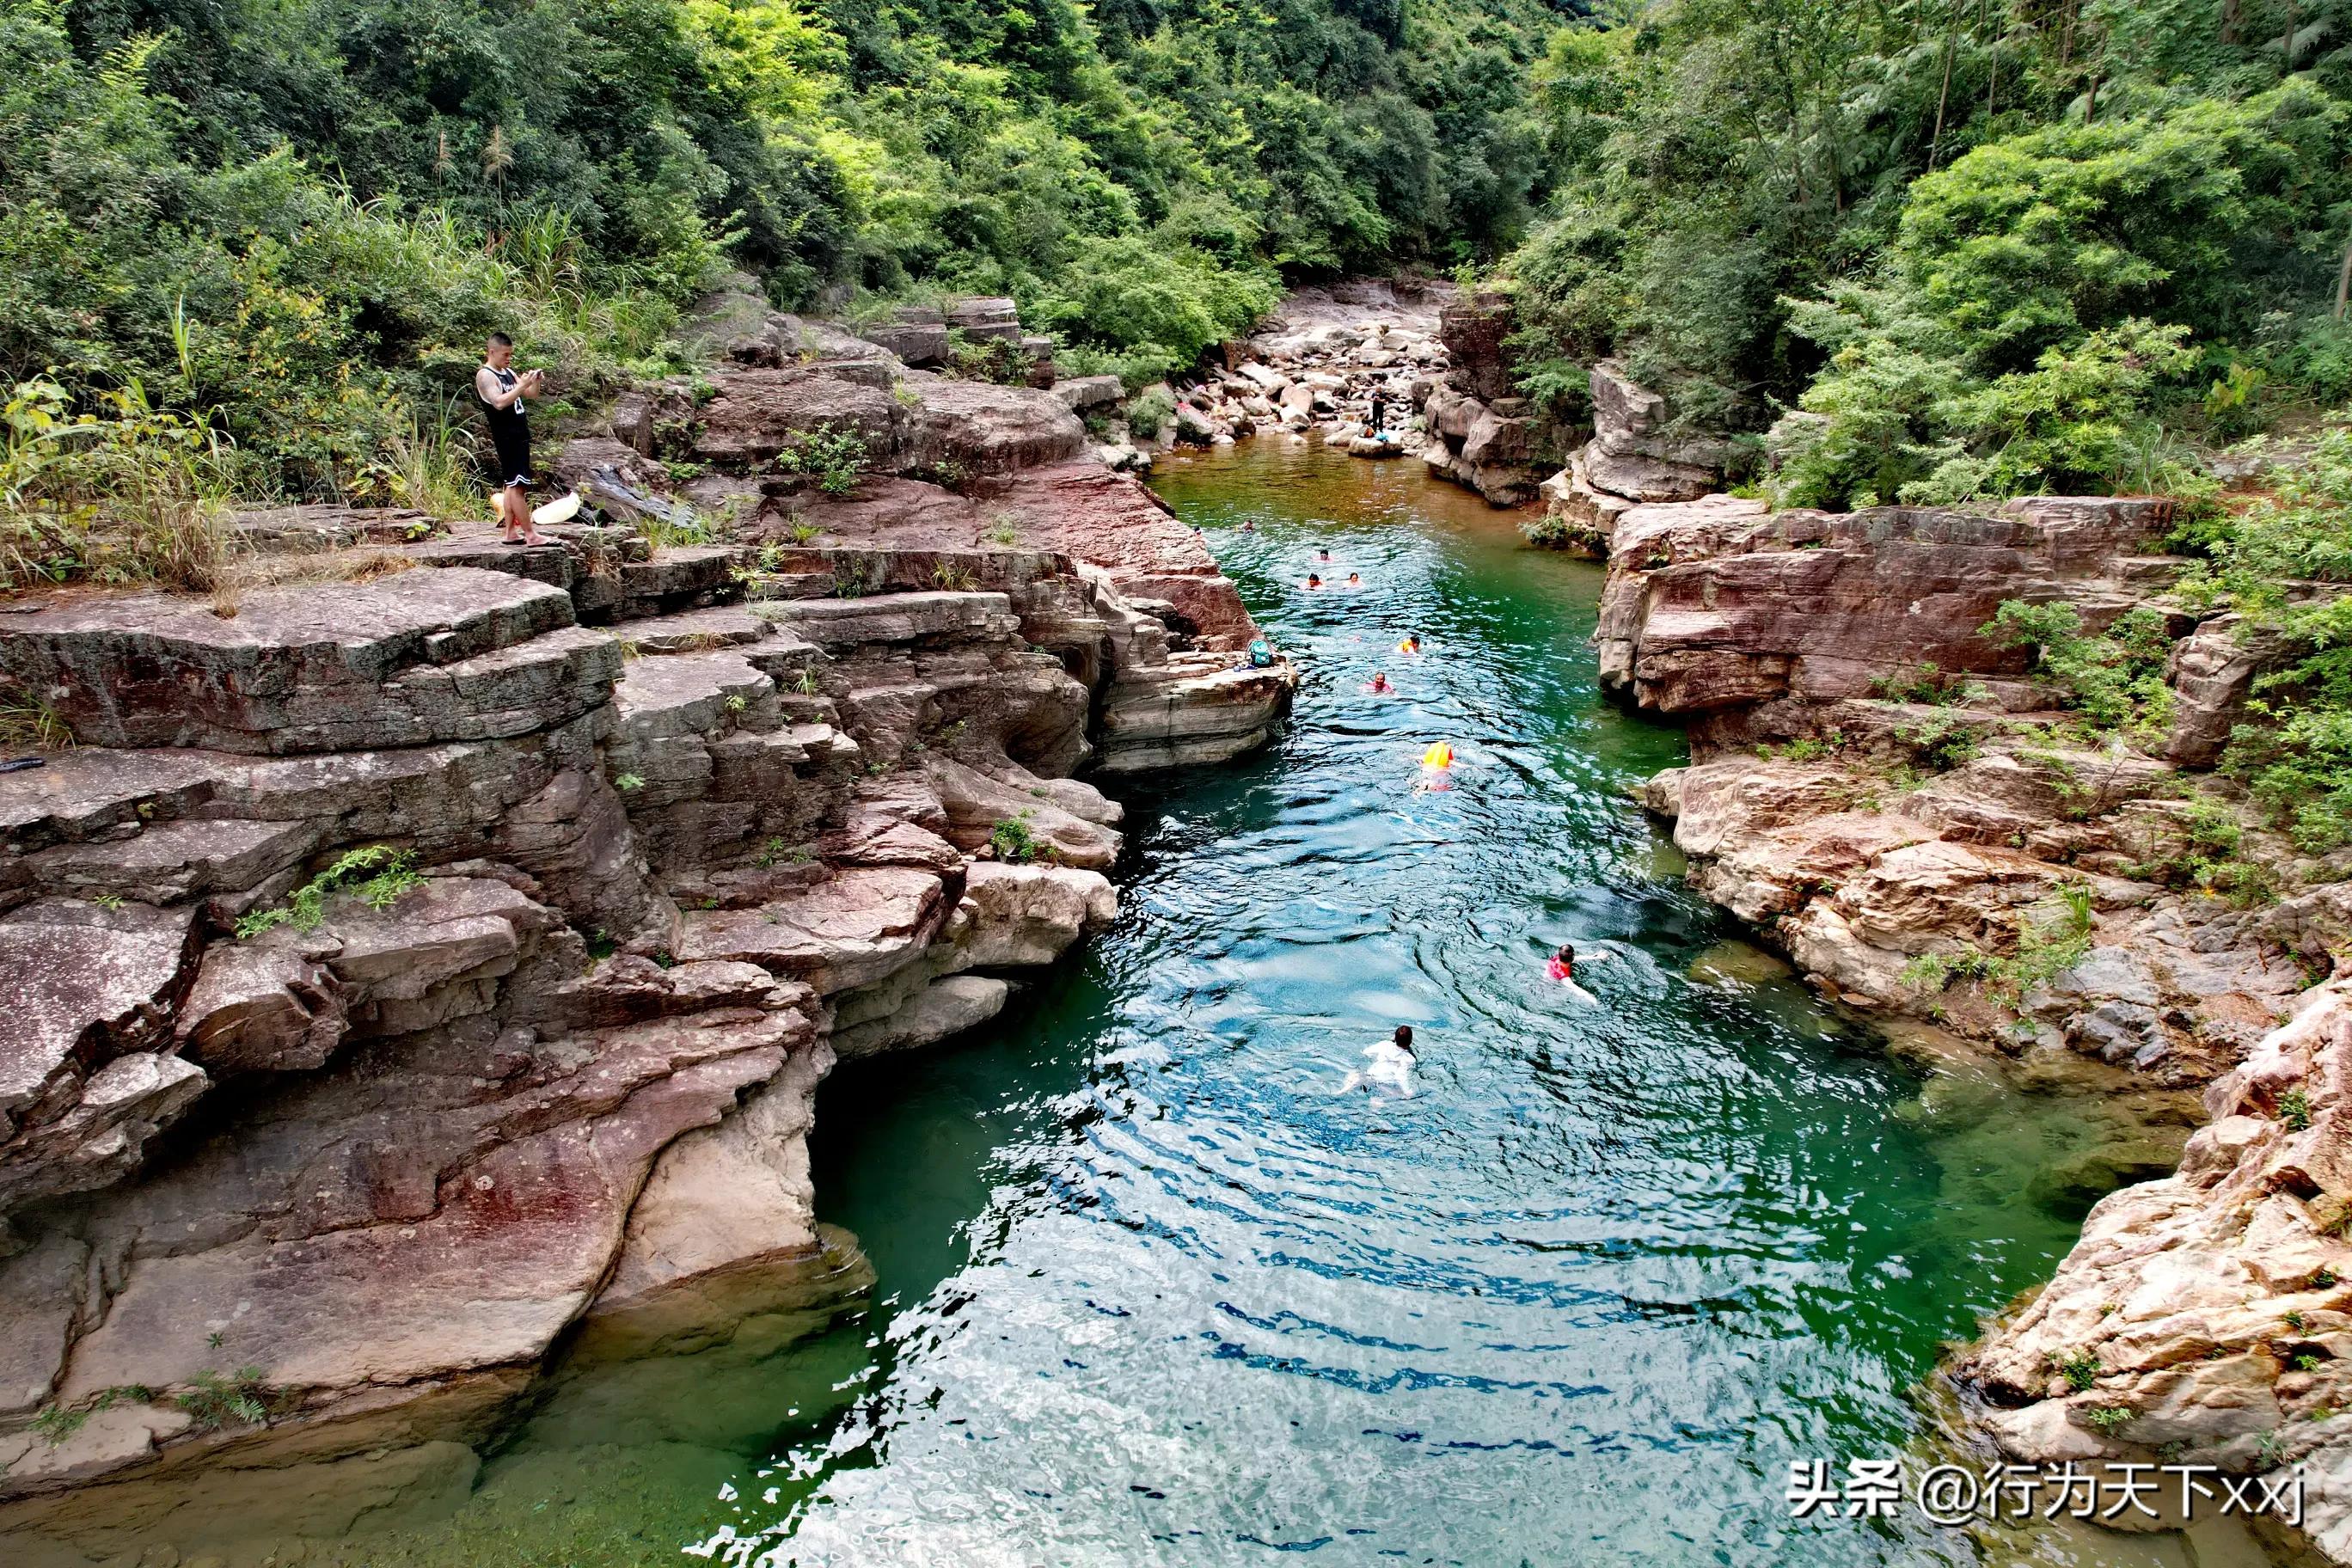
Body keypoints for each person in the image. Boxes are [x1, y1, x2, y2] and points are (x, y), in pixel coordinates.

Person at [475, 333, 546, 545]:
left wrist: (534, 382)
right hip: (507, 437)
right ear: (492, 352)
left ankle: (510, 533)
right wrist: (522, 385)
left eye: (511, 354)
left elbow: (531, 395)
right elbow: (498, 402)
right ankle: (530, 534)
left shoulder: (507, 371)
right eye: (505, 354)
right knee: (517, 487)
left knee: (511, 485)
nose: (509, 358)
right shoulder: (486, 375)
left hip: (519, 434)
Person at [1339, 1026, 1417, 1098]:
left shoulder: (1384, 1044)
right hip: (1384, 1083)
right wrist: (1407, 1091)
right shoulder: (1409, 1059)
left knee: (1355, 1074)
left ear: (1395, 1037)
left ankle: (1343, 1090)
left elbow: (1365, 1052)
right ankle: (1376, 1101)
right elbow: (1401, 1076)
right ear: (1410, 1041)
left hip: (1370, 1074)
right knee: (1396, 1094)